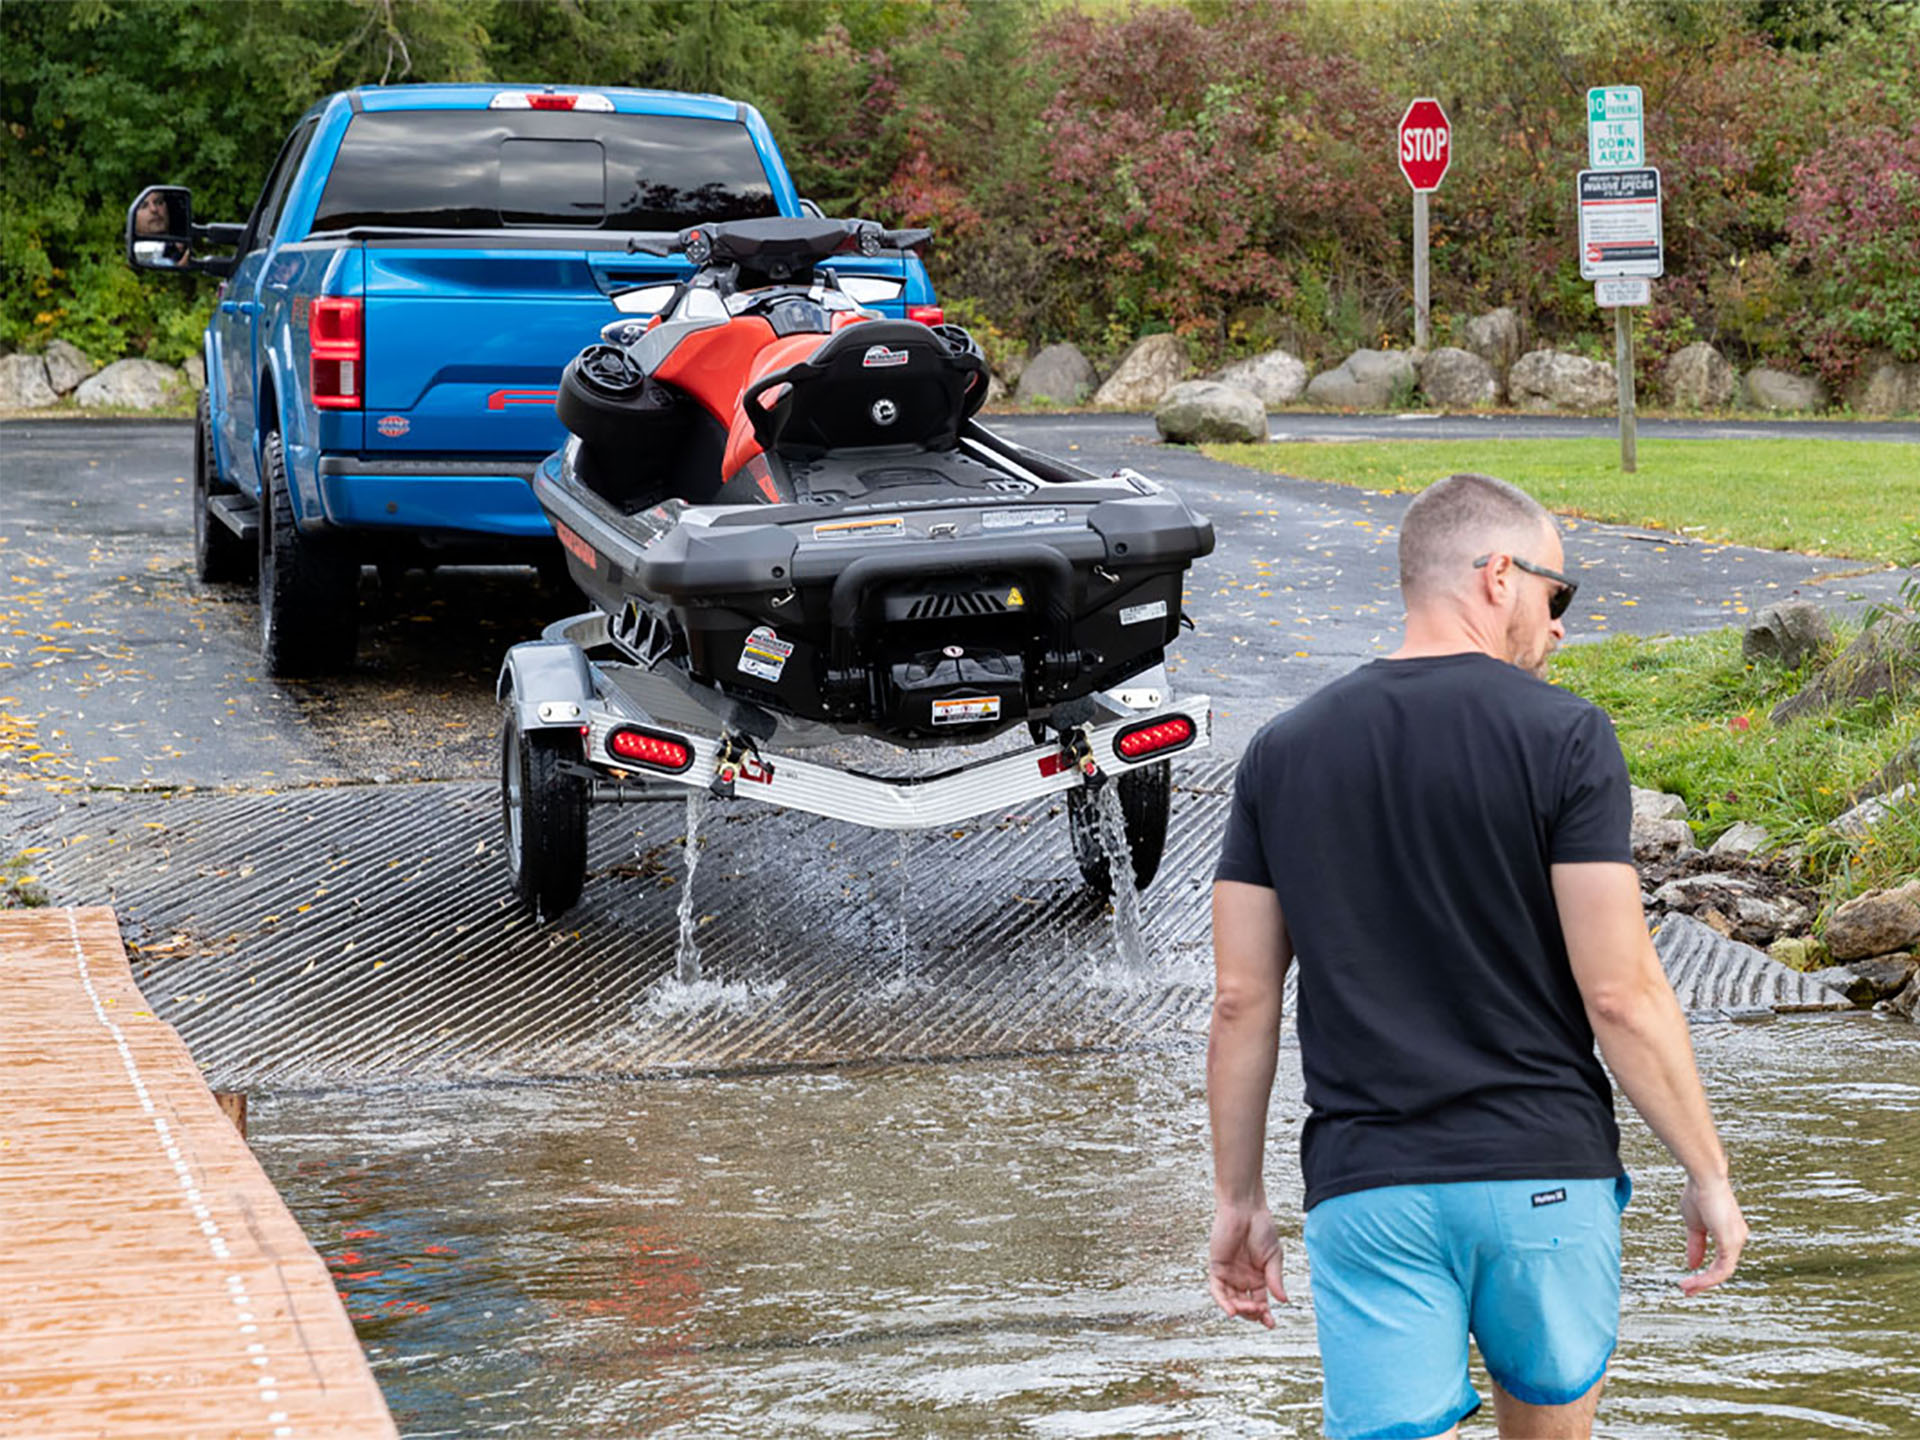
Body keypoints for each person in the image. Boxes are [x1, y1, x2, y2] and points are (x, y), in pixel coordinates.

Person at [1206, 472, 1746, 1440]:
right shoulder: (1569, 739)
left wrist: (1238, 1198)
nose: (1561, 626)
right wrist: (1705, 1169)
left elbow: (1241, 1002)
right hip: (1542, 1179)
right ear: (1499, 575)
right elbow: (1620, 994)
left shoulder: (1281, 753)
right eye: (1556, 595)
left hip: (1369, 1192)